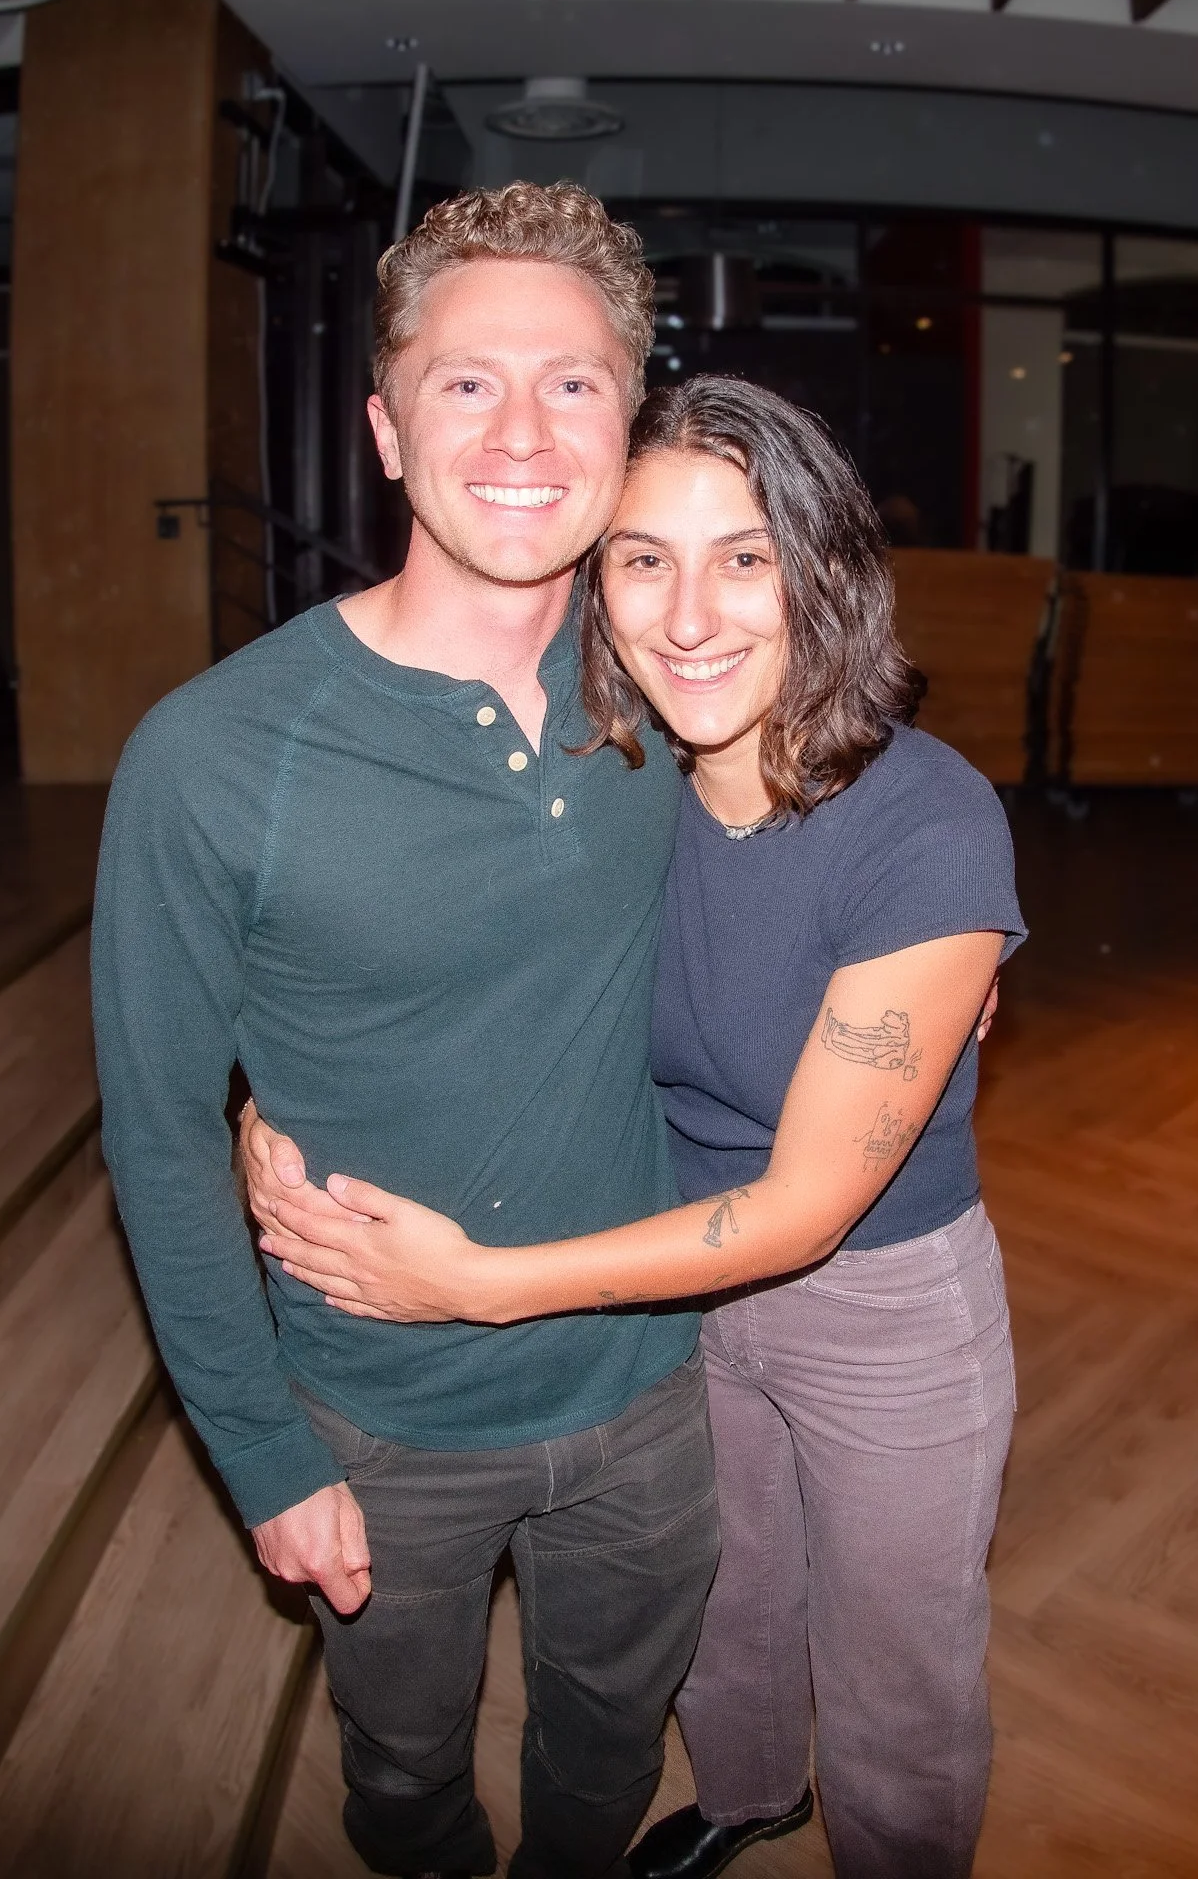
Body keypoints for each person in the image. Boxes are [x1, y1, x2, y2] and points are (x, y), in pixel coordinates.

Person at [244, 375, 1026, 1879]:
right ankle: (745, 1791)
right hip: (663, 1276)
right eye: (644, 559)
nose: (691, 617)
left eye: (745, 556)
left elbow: (805, 1211)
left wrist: (479, 1283)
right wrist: (269, 1100)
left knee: (897, 1660)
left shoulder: (925, 823)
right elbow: (397, 953)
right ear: (593, 583)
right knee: (727, 1597)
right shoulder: (612, 784)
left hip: (882, 1302)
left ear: (823, 566)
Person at [91, 183, 722, 1879]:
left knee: (605, 1751)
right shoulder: (212, 757)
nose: (523, 431)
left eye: (574, 382)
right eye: (466, 383)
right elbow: (155, 1128)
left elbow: (849, 813)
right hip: (379, 1418)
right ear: (385, 426)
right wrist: (262, 1451)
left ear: (627, 420)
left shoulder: (681, 679)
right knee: (406, 1775)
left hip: (652, 1384)